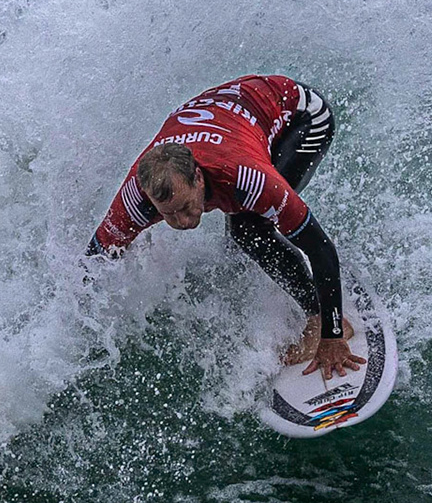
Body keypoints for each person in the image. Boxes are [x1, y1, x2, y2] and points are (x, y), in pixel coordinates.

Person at [86, 74, 366, 381]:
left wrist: (332, 335)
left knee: (248, 229)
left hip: (299, 114)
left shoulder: (245, 177)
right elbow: (94, 260)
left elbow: (320, 248)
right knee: (239, 232)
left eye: (185, 207)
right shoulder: (136, 199)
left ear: (198, 178)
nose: (182, 222)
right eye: (168, 214)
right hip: (230, 116)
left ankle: (318, 318)